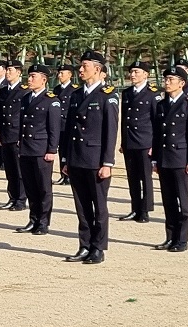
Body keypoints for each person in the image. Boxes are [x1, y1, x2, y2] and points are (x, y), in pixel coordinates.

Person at [63, 51, 118, 265]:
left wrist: (107, 163)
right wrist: (66, 159)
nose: (80, 69)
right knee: (82, 206)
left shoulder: (107, 96)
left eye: (85, 66)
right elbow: (69, 129)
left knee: (99, 206)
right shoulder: (76, 95)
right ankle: (84, 244)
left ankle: (98, 247)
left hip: (95, 160)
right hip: (77, 158)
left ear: (97, 69)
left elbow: (111, 132)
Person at [152, 67, 188, 252]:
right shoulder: (161, 105)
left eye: (171, 79)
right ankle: (170, 236)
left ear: (181, 83)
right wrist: (155, 159)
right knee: (168, 200)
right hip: (164, 158)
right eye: (166, 79)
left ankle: (182, 239)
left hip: (180, 158)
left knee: (183, 201)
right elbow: (157, 135)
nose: (167, 82)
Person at [15, 65, 62, 235]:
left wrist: (52, 150)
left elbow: (54, 128)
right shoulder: (26, 98)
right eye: (29, 76)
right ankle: (33, 219)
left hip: (41, 150)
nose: (29, 79)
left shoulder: (51, 100)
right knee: (30, 186)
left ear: (44, 80)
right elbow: (22, 123)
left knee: (43, 188)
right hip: (26, 148)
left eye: (33, 76)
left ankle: (43, 222)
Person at [116, 61, 156, 224]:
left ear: (146, 74)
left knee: (145, 177)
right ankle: (135, 208)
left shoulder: (152, 94)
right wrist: (123, 141)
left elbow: (156, 121)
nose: (132, 75)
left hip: (145, 141)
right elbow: (124, 120)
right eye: (131, 72)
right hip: (130, 141)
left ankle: (145, 210)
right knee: (132, 177)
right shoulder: (127, 93)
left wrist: (154, 144)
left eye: (136, 72)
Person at [0, 60, 25, 210]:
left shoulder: (24, 91)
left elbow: (24, 116)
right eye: (6, 70)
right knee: (10, 170)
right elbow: (0, 113)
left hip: (17, 134)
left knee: (19, 170)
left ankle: (21, 199)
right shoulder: (3, 91)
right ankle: (12, 197)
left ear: (18, 72)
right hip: (6, 134)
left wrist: (21, 136)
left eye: (10, 70)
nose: (7, 73)